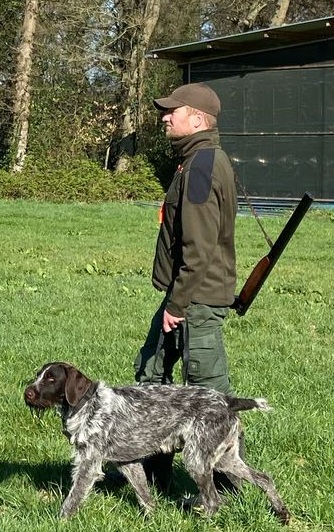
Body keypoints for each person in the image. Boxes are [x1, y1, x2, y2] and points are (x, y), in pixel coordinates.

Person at [134, 82, 239, 493]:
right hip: (186, 293)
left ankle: (227, 486)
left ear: (196, 119)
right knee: (152, 374)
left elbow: (199, 248)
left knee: (208, 395)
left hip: (194, 297)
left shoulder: (200, 167)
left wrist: (176, 304)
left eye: (172, 111)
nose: (164, 117)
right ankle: (152, 473)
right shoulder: (198, 159)